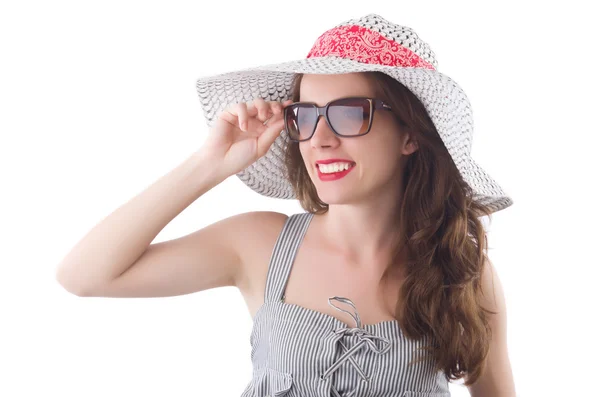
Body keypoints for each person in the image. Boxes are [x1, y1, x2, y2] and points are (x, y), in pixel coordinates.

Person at [56, 13, 516, 397]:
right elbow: (84, 275)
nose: (321, 139)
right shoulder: (258, 243)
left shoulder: (462, 270)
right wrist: (209, 163)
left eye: (351, 113)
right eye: (306, 115)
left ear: (412, 134)